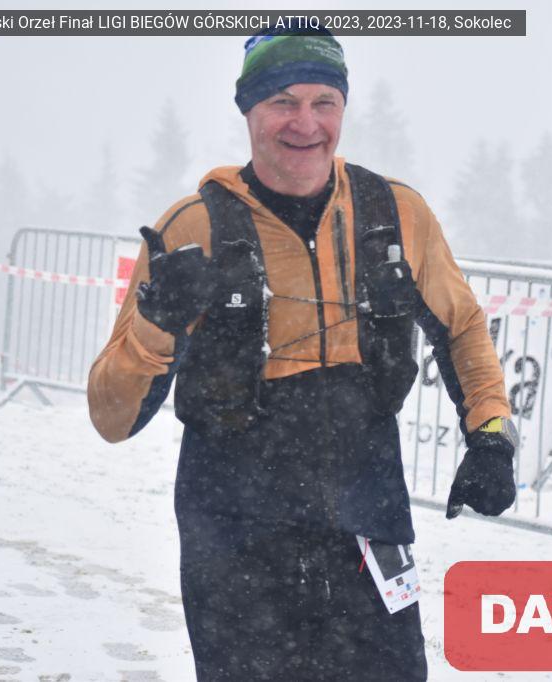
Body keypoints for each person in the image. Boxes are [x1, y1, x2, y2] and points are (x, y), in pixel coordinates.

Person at [87, 28, 518, 682]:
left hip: (366, 509)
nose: (306, 124)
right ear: (248, 110)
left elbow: (462, 328)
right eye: (283, 102)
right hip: (234, 521)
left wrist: (490, 436)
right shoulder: (194, 230)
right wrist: (156, 324)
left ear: (344, 108)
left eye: (324, 102)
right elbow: (110, 417)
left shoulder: (394, 214)